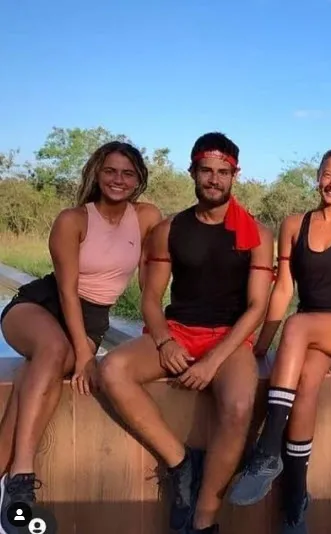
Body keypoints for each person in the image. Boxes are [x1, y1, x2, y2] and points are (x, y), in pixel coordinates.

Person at [98, 132, 274, 534]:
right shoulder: (169, 229)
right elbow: (150, 298)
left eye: (223, 172)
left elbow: (257, 307)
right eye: (206, 171)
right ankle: (180, 463)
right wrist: (163, 340)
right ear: (192, 172)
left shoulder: (257, 234)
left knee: (238, 407)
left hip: (230, 338)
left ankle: (204, 518)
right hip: (179, 330)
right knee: (112, 370)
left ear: (235, 175)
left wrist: (213, 361)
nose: (214, 179)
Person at [0, 141, 162, 531]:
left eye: (128, 173)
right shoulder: (72, 220)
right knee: (53, 350)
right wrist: (85, 356)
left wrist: (159, 333)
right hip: (41, 305)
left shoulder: (146, 217)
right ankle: (21, 475)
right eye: (111, 171)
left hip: (93, 320)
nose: (118, 179)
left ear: (139, 179)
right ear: (97, 173)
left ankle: (5, 483)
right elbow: (67, 293)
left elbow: (150, 284)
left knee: (34, 375)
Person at [228, 140, 331, 533]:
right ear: (317, 177)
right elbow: (284, 288)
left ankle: (268, 449)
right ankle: (295, 502)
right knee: (306, 384)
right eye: (328, 175)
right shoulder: (293, 225)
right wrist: (262, 344)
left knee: (297, 326)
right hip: (310, 333)